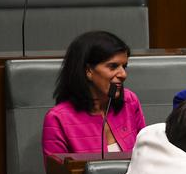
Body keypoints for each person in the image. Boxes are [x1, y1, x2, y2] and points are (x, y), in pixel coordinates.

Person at [42, 31, 146, 159]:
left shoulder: (129, 101)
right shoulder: (58, 119)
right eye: (113, 66)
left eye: (124, 66)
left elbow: (145, 156)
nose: (123, 74)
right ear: (88, 70)